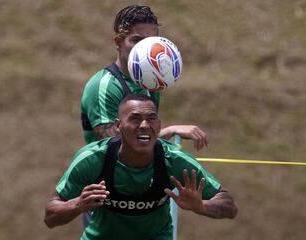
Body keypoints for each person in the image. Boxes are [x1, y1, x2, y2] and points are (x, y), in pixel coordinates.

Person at [44, 94, 238, 240]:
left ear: (159, 125)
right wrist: (77, 204)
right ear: (118, 125)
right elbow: (50, 217)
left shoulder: (175, 160)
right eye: (135, 118)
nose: (144, 125)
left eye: (151, 119)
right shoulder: (92, 159)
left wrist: (201, 206)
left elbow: (230, 206)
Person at [80, 4, 208, 151]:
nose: (145, 48)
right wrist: (169, 132)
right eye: (137, 40)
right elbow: (114, 145)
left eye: (151, 41)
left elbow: (143, 140)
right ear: (118, 42)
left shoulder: (150, 81)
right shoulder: (104, 85)